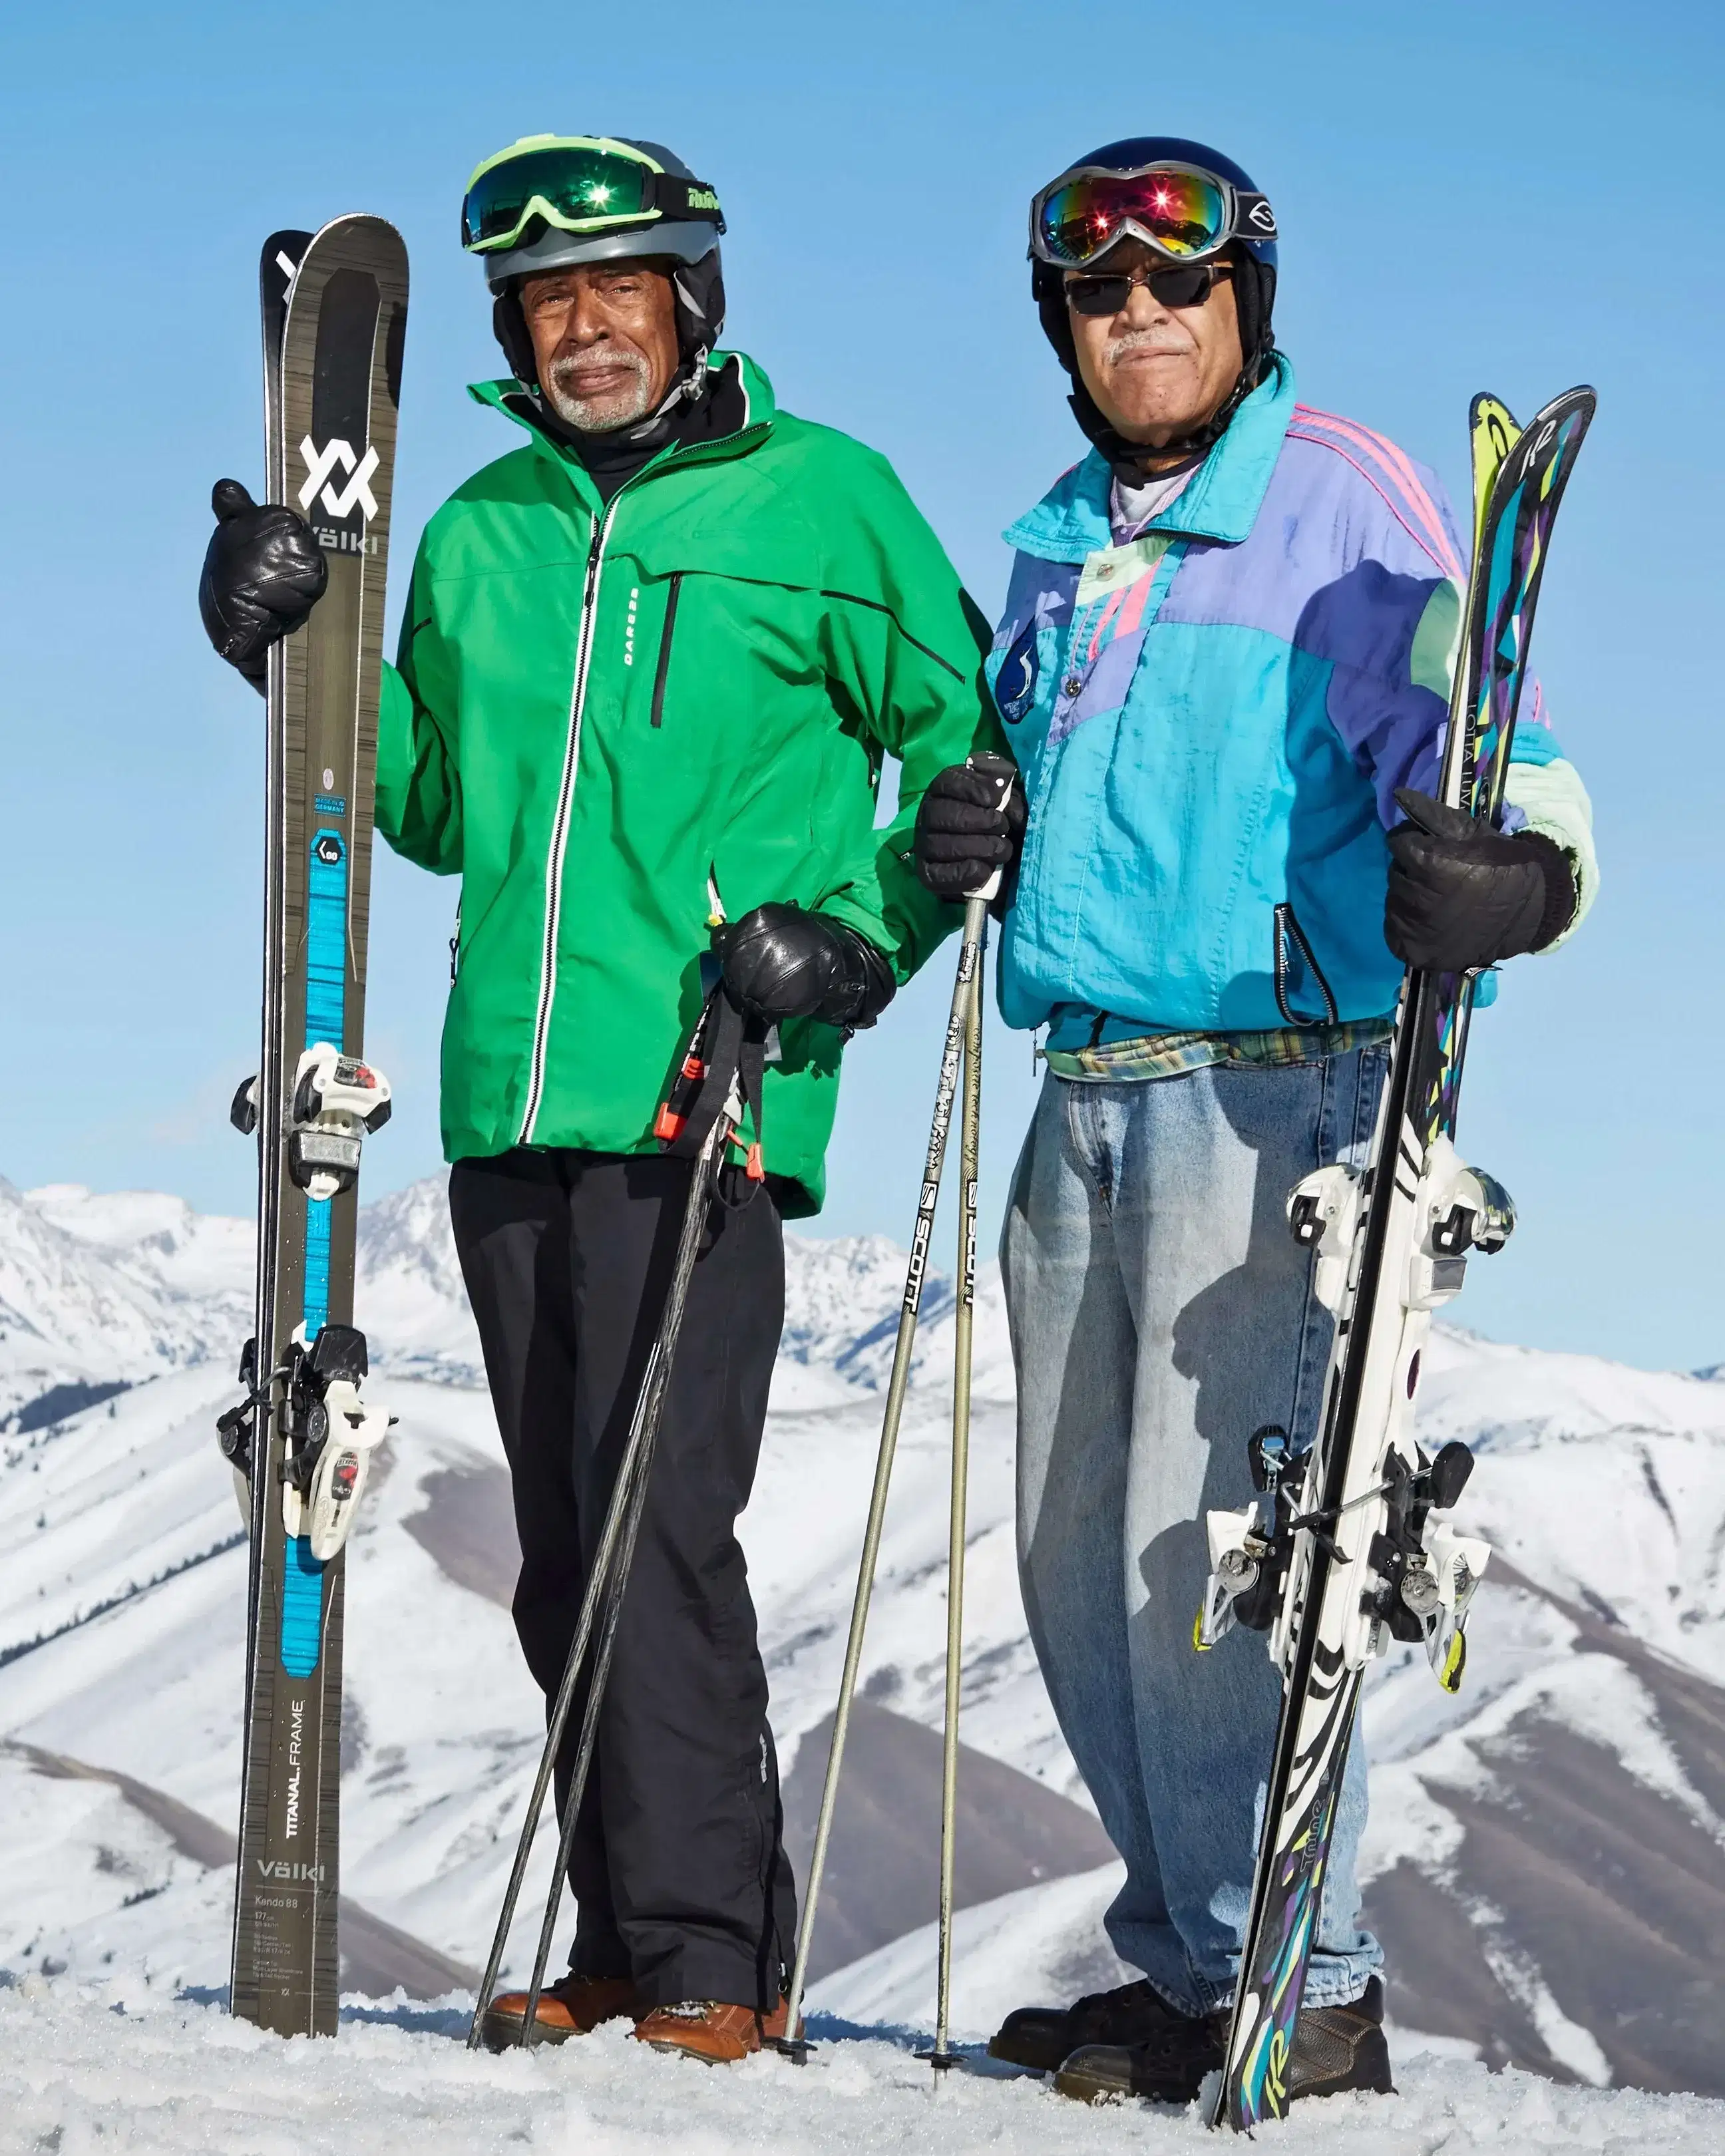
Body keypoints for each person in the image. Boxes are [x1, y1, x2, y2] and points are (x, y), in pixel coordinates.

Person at [201, 132, 1001, 2065]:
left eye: (619, 287)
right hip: (510, 1104)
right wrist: (286, 639)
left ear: (693, 301)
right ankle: (629, 1942)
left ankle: (721, 1955)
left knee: (661, 1530)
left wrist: (852, 942)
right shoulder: (475, 530)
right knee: (565, 1543)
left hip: (708, 1084)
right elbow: (431, 805)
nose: (583, 326)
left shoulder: (830, 503)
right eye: (548, 300)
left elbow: (969, 759)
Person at [913, 136, 1597, 2107]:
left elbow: (1504, 756)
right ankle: (1192, 1956)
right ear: (1064, 323)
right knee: (1075, 1562)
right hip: (1087, 1087)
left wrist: (1521, 877)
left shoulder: (1341, 507)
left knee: (1210, 1559)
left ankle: (1301, 1977)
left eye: (1177, 289)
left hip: (1270, 1084)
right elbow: (1064, 776)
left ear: (1245, 303)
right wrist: (983, 824)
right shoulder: (1057, 536)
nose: (1141, 318)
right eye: (1102, 296)